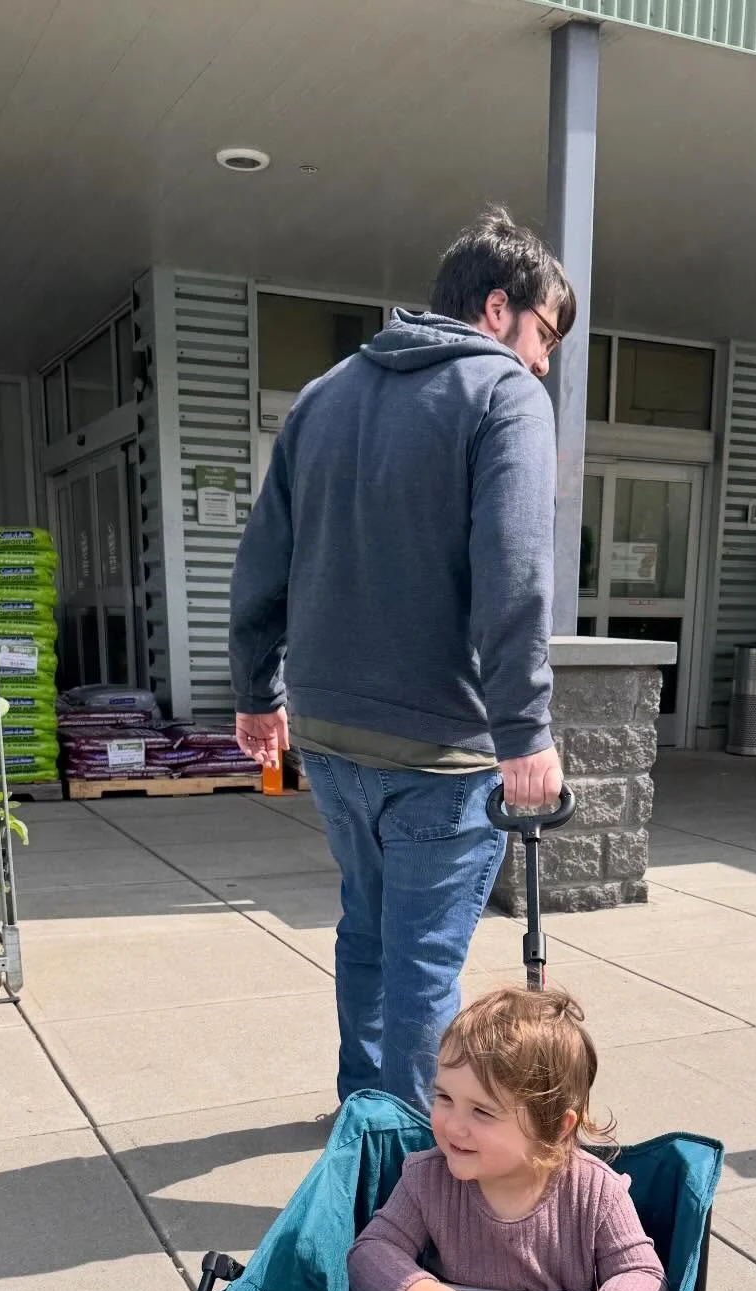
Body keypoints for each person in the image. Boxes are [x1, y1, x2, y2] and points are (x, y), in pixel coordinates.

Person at [229, 208, 573, 1114]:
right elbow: (516, 573)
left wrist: (257, 692)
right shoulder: (505, 397)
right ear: (498, 308)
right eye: (545, 333)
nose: (545, 360)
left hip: (332, 734)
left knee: (369, 935)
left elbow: (262, 557)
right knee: (422, 960)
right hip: (438, 746)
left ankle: (363, 1118)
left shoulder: (322, 396)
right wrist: (526, 730)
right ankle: (409, 1169)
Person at [346, 987, 665, 1291]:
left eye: (482, 1111)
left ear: (555, 1127)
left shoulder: (595, 1192)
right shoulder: (427, 1177)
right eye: (444, 1098)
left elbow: (643, 1275)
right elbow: (372, 1249)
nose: (453, 1125)